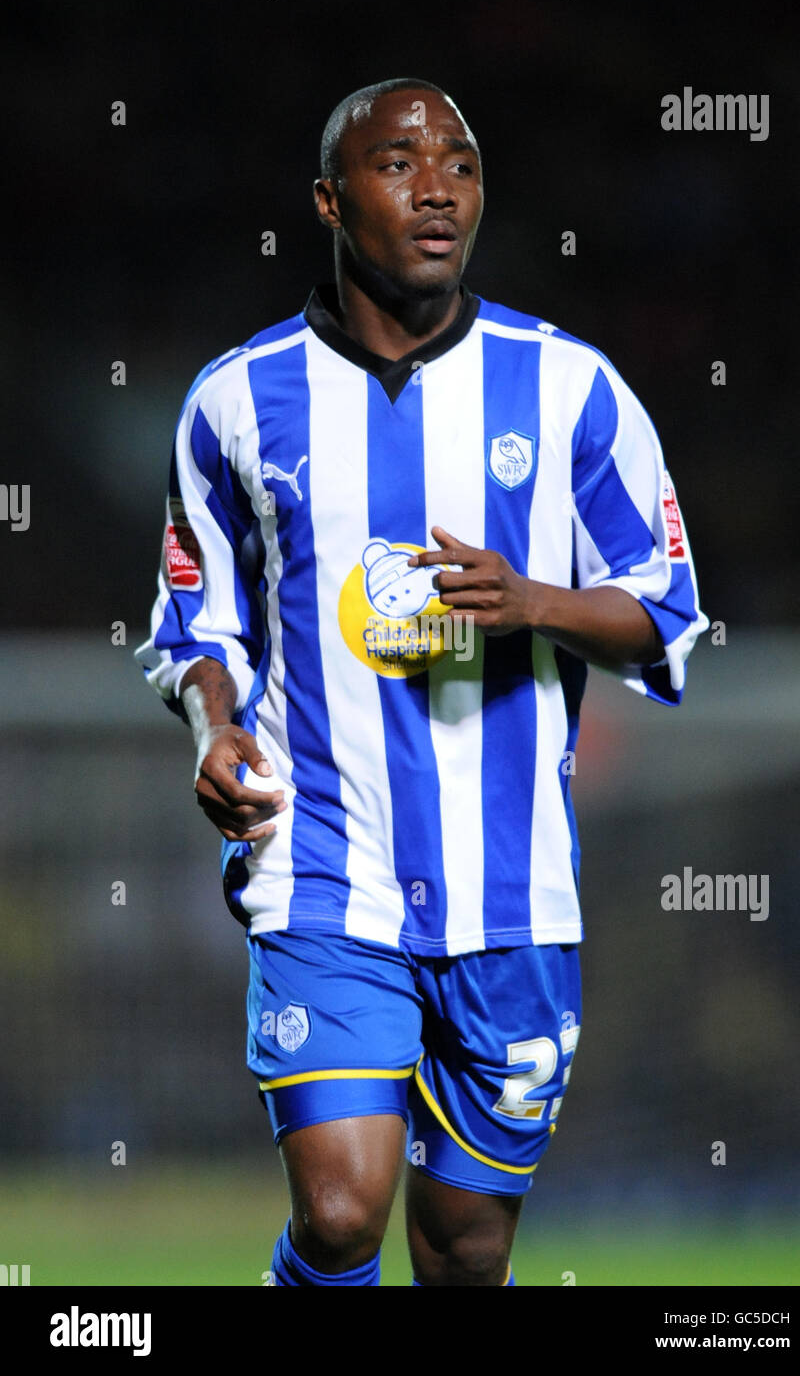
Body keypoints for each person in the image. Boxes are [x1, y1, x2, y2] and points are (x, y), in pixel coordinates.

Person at [136, 77, 708, 1287]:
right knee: (343, 1213)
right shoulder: (236, 401)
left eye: (461, 161)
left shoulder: (570, 390)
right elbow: (198, 617)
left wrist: (536, 602)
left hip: (513, 893)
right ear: (330, 200)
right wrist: (216, 726)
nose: (439, 184)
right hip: (323, 871)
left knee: (463, 1252)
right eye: (399, 162)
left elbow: (666, 605)